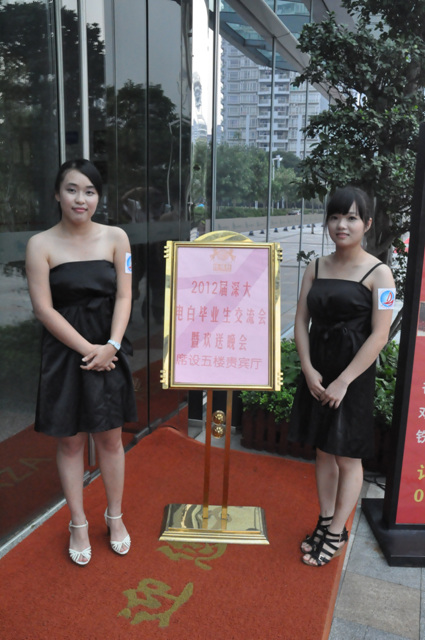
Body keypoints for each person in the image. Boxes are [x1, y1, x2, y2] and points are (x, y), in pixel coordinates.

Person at [26, 159, 138, 566]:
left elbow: (124, 295)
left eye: (89, 191)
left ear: (98, 198)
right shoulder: (40, 244)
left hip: (109, 349)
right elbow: (44, 309)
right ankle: (77, 522)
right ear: (57, 194)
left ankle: (115, 516)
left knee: (110, 438)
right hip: (64, 353)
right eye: (72, 189)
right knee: (71, 441)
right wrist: (89, 349)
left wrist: (111, 345)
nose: (81, 199)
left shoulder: (116, 237)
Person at [288, 186, 395, 567]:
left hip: (353, 375)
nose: (341, 225)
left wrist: (344, 380)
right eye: (334, 217)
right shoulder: (316, 267)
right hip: (318, 369)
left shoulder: (379, 273)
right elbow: (301, 321)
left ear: (367, 223)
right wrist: (307, 368)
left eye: (351, 217)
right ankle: (325, 519)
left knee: (347, 455)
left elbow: (380, 335)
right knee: (323, 449)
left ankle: (336, 531)